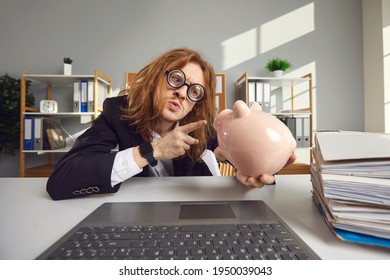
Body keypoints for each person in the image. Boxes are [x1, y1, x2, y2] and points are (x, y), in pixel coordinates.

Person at [46, 48, 295, 200]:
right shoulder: (117, 112)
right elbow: (62, 181)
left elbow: (245, 155)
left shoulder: (203, 127)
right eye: (176, 79)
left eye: (195, 91)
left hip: (194, 215)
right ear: (155, 79)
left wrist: (260, 170)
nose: (183, 93)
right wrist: (151, 151)